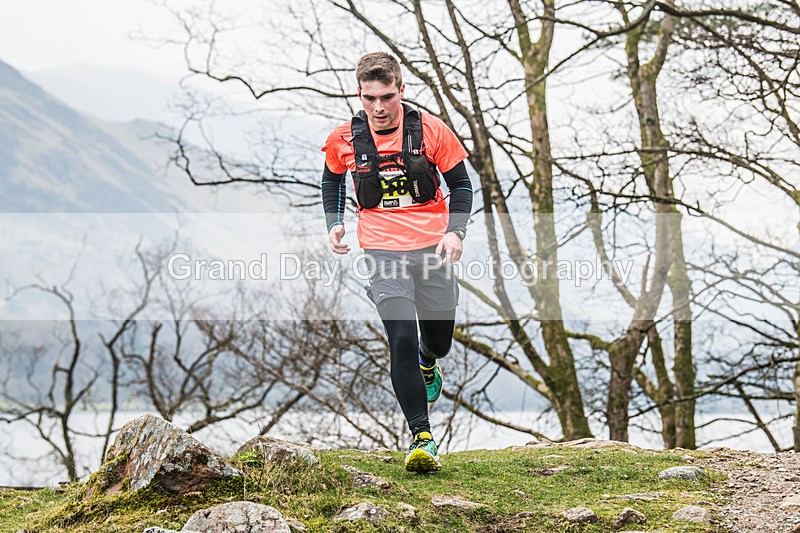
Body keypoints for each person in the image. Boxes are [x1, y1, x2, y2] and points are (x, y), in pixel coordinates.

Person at [320, 52, 472, 473]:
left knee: (437, 341)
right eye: (369, 98)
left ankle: (429, 360)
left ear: (401, 91)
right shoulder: (345, 139)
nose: (379, 107)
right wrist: (334, 222)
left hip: (432, 248)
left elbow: (461, 185)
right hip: (382, 251)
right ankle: (422, 437)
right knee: (400, 337)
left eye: (386, 96)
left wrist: (455, 232)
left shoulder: (430, 131)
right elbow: (332, 177)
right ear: (360, 94)